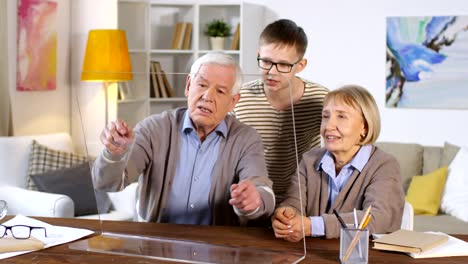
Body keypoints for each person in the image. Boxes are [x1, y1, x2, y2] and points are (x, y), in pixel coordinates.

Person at [92, 52, 275, 226]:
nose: (207, 96)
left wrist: (255, 200)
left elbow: (263, 190)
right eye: (202, 85)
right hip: (157, 243)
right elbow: (107, 184)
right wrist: (113, 154)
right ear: (188, 85)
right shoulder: (154, 128)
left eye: (220, 91)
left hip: (218, 247)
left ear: (233, 101)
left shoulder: (246, 139)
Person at [272, 85, 404, 240]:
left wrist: (311, 226)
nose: (328, 126)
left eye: (341, 116)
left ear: (365, 127)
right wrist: (287, 217)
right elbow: (293, 202)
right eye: (326, 116)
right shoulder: (309, 160)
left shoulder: (384, 165)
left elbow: (379, 219)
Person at [233, 19, 328, 204]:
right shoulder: (239, 97)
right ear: (258, 55)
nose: (272, 72)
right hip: (252, 198)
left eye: (284, 65)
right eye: (266, 61)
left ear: (301, 65)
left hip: (304, 198)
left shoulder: (322, 99)